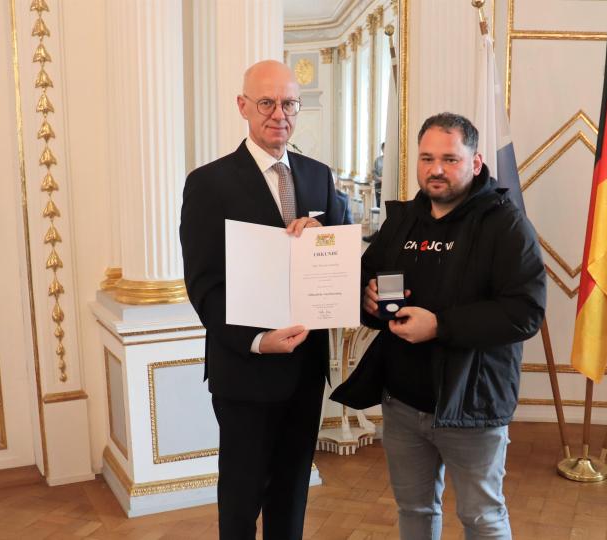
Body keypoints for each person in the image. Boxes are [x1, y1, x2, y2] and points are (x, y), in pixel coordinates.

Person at [331, 112, 546, 539]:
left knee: (482, 518)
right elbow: (365, 279)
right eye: (427, 158)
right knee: (414, 510)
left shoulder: (505, 224)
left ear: (476, 162)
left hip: (474, 405)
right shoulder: (403, 221)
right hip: (403, 403)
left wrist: (440, 326)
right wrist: (366, 298)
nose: (436, 170)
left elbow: (525, 312)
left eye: (450, 159)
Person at [179, 60, 347, 539]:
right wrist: (256, 341)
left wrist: (325, 238)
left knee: (292, 493)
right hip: (245, 368)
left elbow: (338, 260)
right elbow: (205, 286)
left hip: (307, 366)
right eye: (267, 103)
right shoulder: (209, 184)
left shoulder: (319, 176)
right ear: (243, 107)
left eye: (289, 102)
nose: (280, 114)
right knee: (241, 497)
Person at [373, 141, 385, 207]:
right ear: (382, 149)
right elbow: (374, 174)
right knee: (379, 204)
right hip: (378, 184)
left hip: (387, 184)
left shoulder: (391, 159)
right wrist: (379, 178)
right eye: (384, 148)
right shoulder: (378, 160)